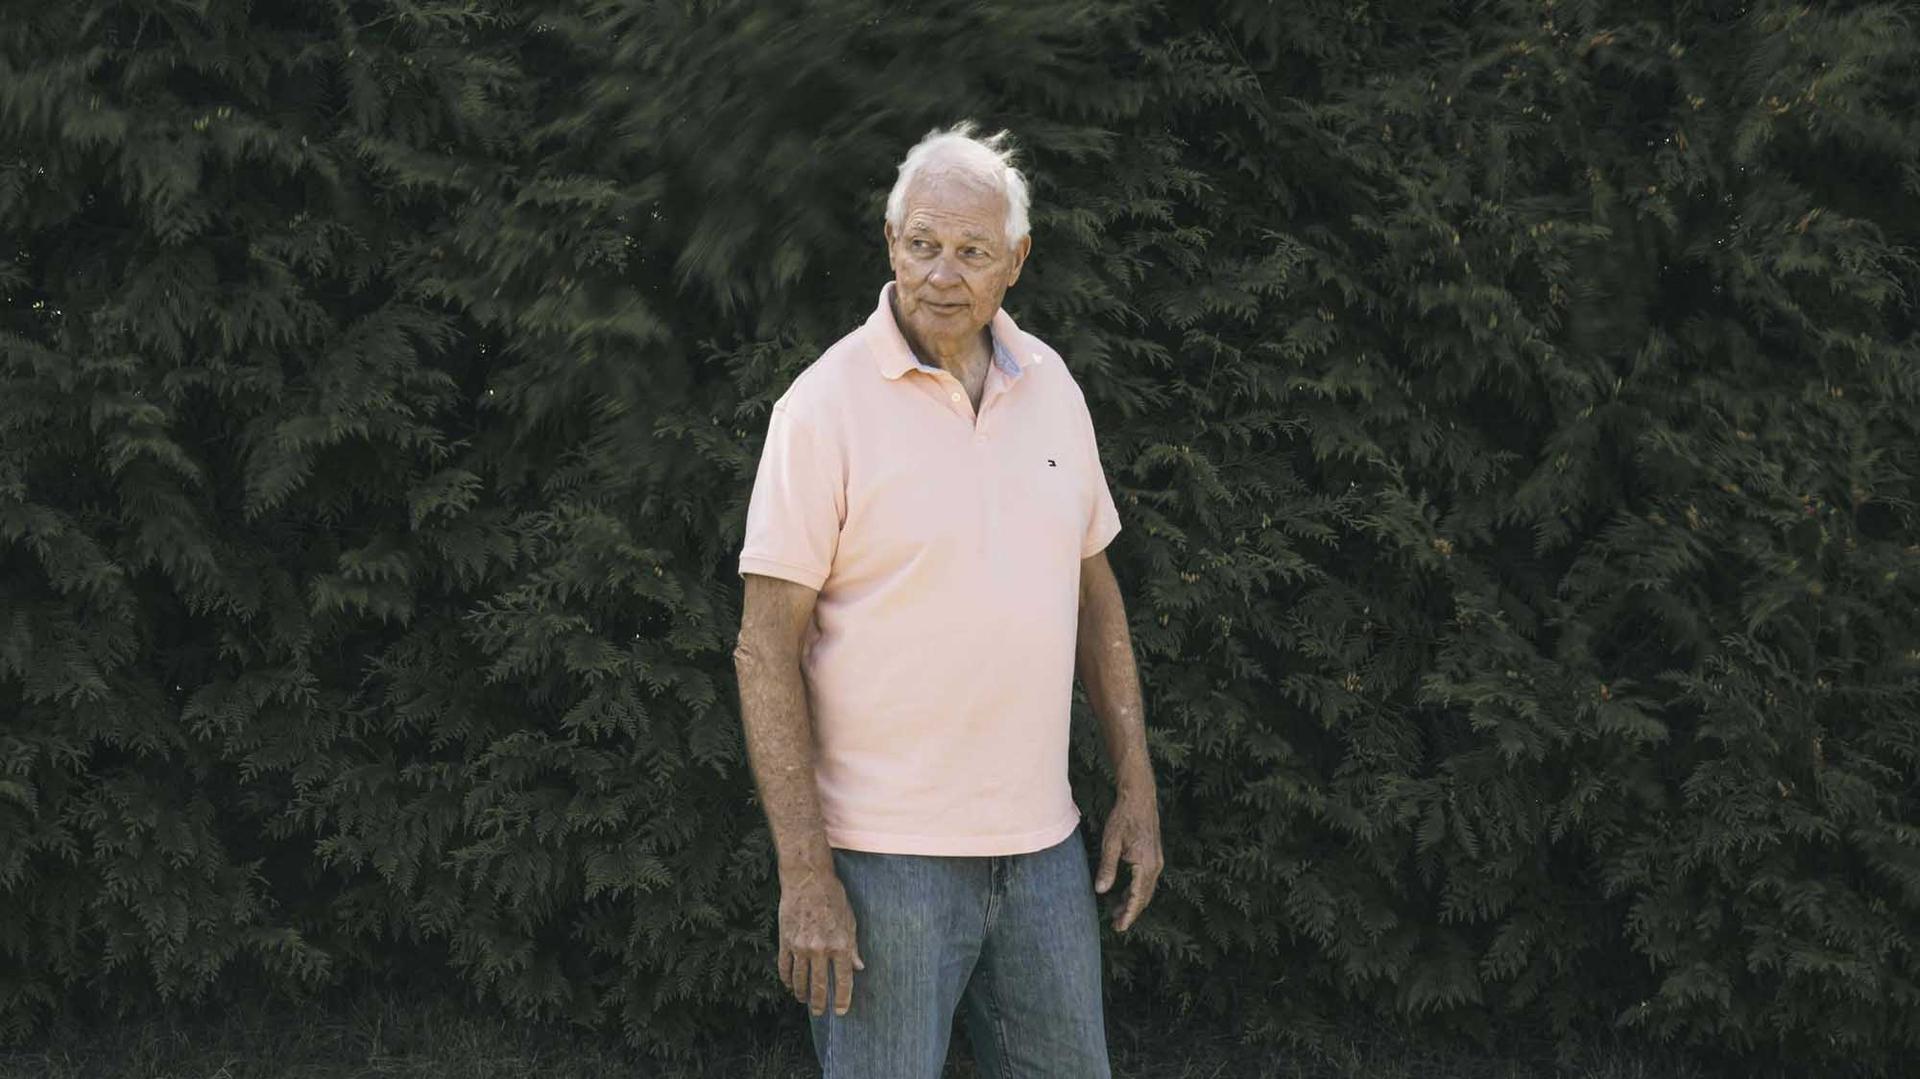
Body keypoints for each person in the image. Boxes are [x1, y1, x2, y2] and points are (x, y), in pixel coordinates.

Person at [732, 120, 1162, 1078]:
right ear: (891, 244)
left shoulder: (1053, 386)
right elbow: (764, 649)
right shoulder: (822, 408)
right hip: (885, 864)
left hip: (1044, 850)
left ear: (1017, 260)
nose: (942, 272)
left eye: (972, 251)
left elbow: (1098, 601)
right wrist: (805, 872)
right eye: (923, 243)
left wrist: (1135, 783)